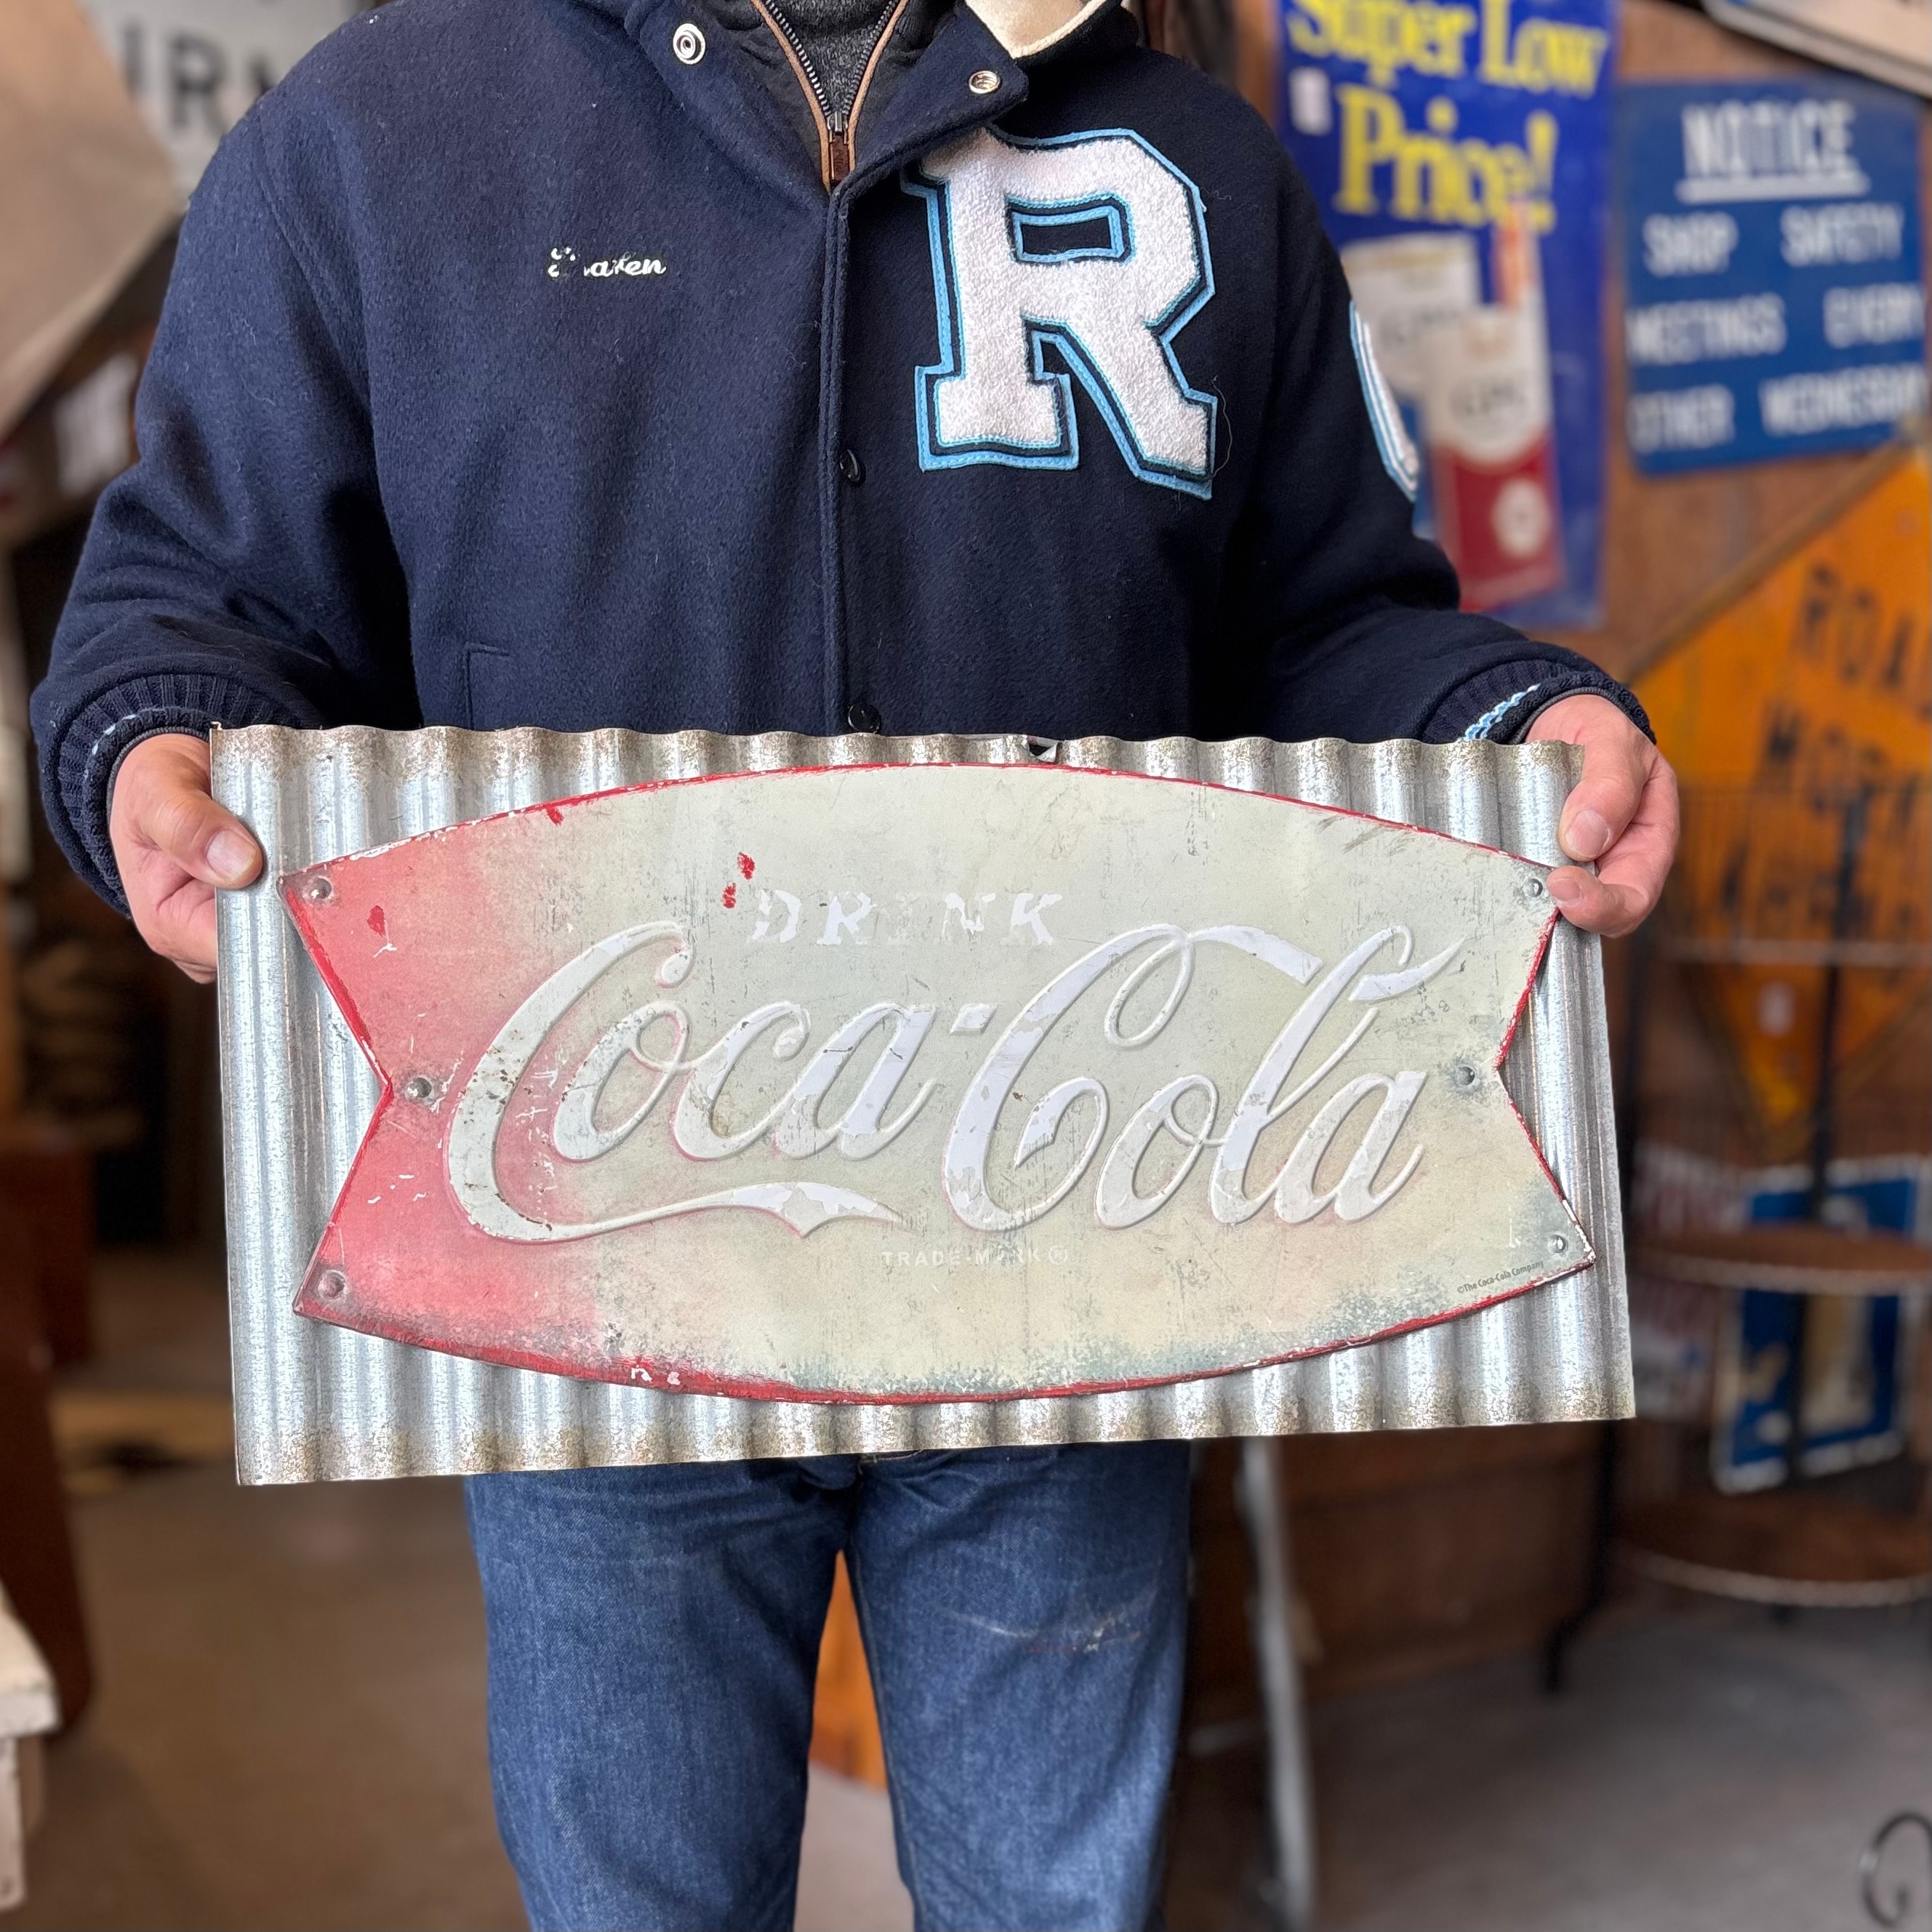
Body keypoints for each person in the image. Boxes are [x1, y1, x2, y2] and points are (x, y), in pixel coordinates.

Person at [32, 0, 1678, 1920]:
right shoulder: (381, 125)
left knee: (1055, 1903)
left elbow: (1324, 621)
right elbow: (200, 604)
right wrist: (150, 746)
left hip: (1080, 1227)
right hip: (588, 1258)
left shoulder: (1193, 155)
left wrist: (1515, 717)